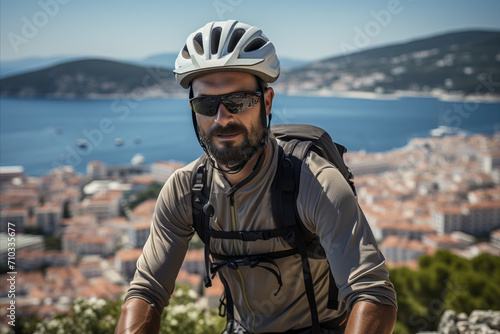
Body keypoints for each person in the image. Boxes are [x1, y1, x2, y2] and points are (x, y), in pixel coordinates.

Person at [115, 20, 397, 334]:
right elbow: (146, 292)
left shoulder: (316, 183)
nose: (223, 118)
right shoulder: (186, 189)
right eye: (206, 104)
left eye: (239, 101)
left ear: (266, 102)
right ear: (193, 110)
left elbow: (373, 295)